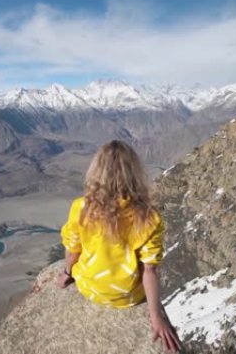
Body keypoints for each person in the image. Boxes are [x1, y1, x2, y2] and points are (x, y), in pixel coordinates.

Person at [56, 140, 181, 353]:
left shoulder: (81, 207)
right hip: (129, 296)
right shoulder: (149, 217)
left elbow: (73, 249)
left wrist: (68, 273)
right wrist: (156, 317)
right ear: (134, 173)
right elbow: (149, 270)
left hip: (90, 287)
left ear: (96, 172)